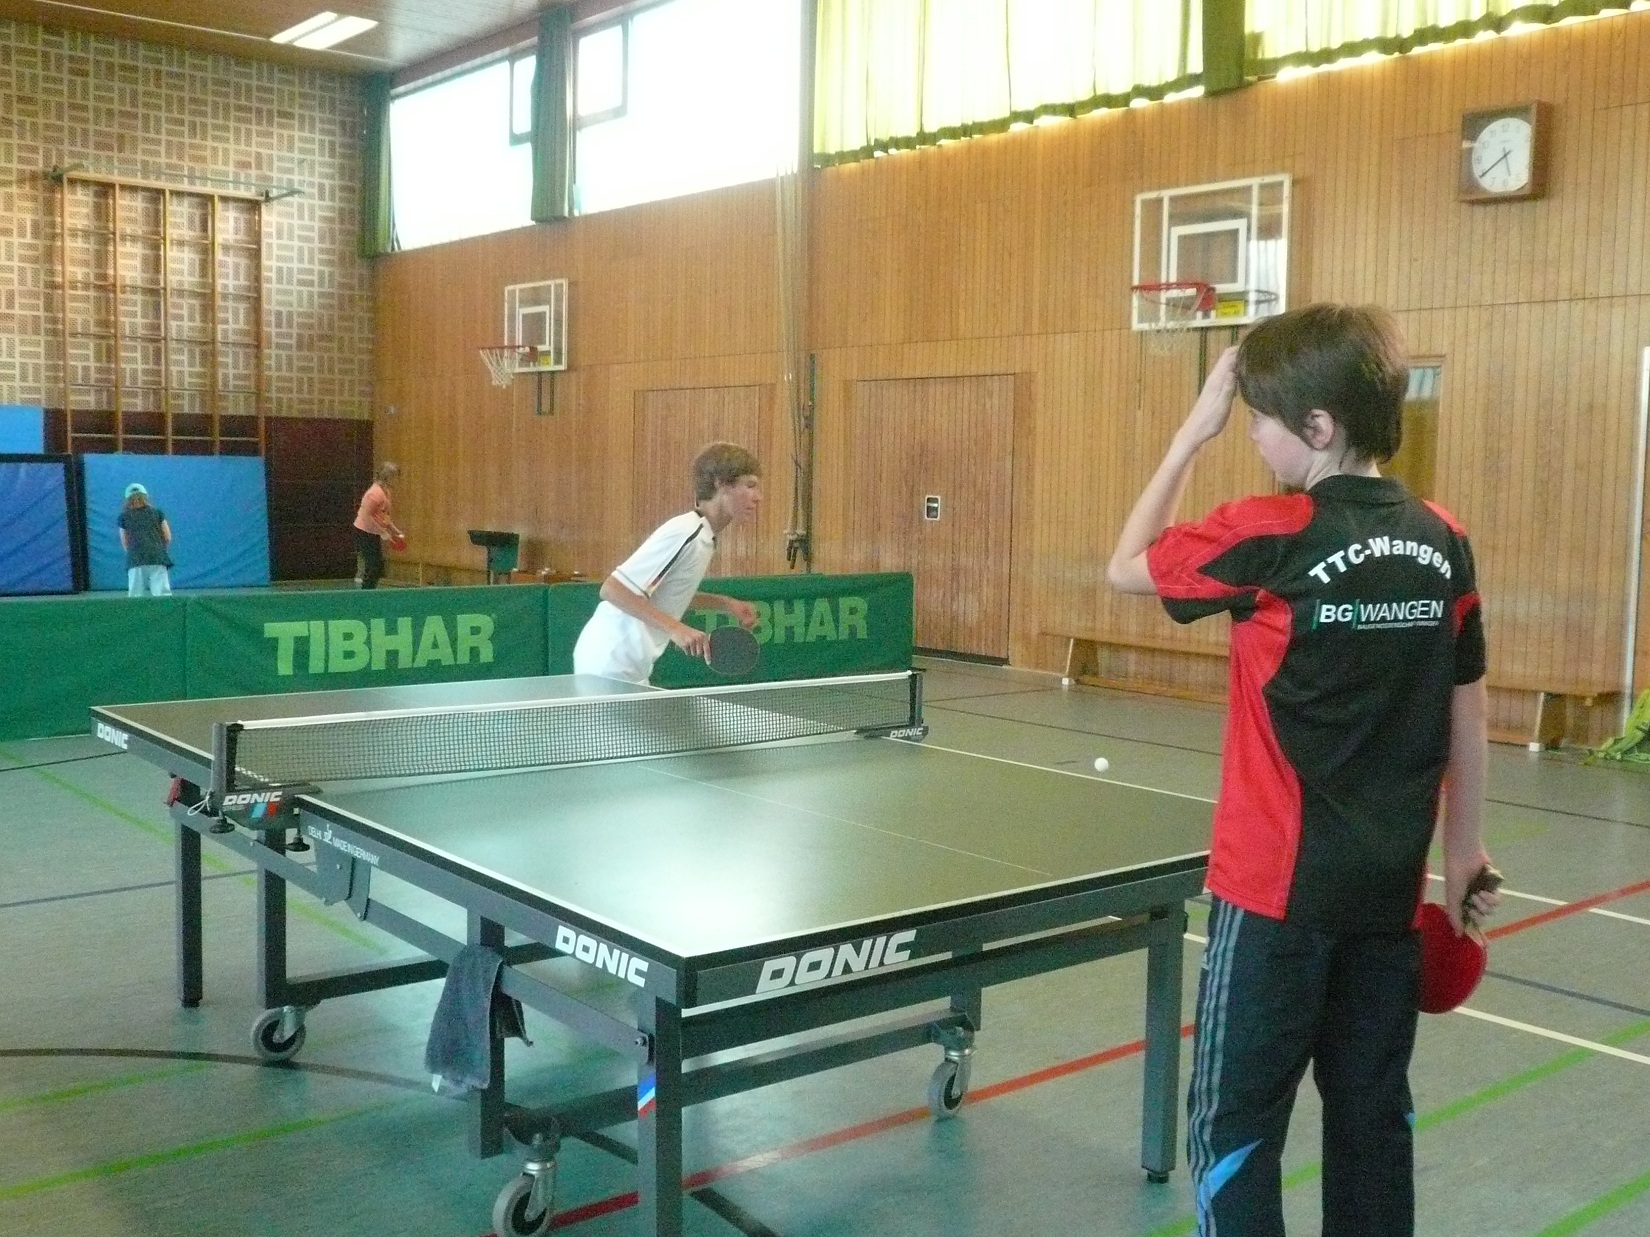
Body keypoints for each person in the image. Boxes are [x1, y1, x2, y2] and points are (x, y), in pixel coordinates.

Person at [1106, 304, 1501, 1237]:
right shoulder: (1442, 538)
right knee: (1372, 1125)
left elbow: (1126, 566)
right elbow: (1469, 708)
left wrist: (1190, 435)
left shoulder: (1268, 530)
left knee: (1234, 1132)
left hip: (1272, 902)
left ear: (1318, 427)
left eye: (1260, 419)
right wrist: (1464, 855)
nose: (1250, 434)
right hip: (1387, 899)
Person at [573, 442, 762, 684]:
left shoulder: (703, 536)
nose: (758, 497)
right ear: (721, 484)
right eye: (750, 486)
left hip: (627, 665)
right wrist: (676, 629)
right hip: (611, 662)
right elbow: (613, 589)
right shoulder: (685, 532)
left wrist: (724, 603)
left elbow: (663, 592)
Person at [352, 461, 404, 590]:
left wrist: (394, 530)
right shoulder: (374, 493)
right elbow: (366, 516)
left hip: (373, 531)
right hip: (364, 531)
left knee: (376, 566)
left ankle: (369, 591)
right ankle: (366, 594)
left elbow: (383, 514)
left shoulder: (386, 492)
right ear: (388, 477)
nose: (397, 480)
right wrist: (383, 532)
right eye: (396, 477)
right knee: (374, 566)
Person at [117, 482, 173, 597]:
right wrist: (159, 550)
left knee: (135, 596)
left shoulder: (123, 517)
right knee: (162, 596)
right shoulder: (157, 513)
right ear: (146, 496)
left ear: (127, 500)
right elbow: (167, 537)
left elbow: (125, 542)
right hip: (157, 557)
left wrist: (133, 553)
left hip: (135, 559)